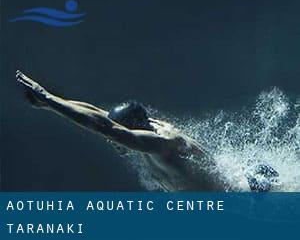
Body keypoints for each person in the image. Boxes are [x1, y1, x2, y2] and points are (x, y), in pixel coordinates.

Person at [15, 70, 277, 191]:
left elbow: (105, 127)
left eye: (115, 136)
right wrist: (51, 103)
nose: (111, 141)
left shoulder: (161, 144)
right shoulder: (146, 129)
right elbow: (99, 116)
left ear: (132, 130)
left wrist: (48, 99)